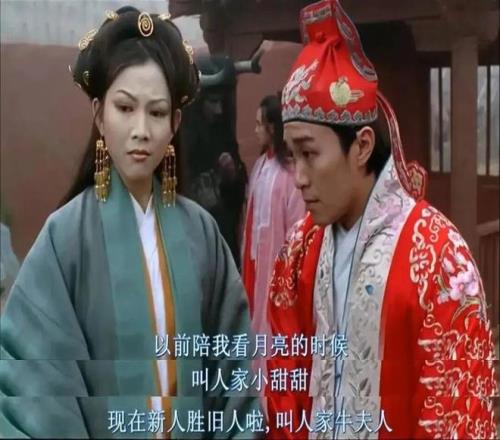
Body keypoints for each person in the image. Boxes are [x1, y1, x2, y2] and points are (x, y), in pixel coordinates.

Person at [0, 7, 256, 438]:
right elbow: (37, 384)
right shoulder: (65, 239)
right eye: (124, 108)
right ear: (99, 115)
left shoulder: (202, 235)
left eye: (157, 113)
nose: (141, 130)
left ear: (175, 123)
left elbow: (234, 371)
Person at [265, 1, 497, 439]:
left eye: (310, 154)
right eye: (292, 155)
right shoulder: (298, 251)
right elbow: (285, 386)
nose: (299, 177)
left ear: (363, 146)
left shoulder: (437, 259)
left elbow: (456, 416)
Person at [241, 94, 305, 340]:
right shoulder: (259, 166)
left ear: (273, 128)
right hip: (255, 260)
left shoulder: (290, 172)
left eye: (260, 124)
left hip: (277, 262)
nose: (256, 130)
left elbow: (297, 226)